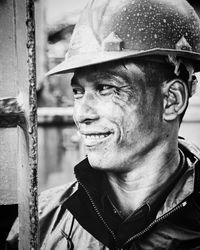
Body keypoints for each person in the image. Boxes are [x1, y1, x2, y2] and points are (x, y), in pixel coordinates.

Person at [7, 0, 200, 249]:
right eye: (78, 92)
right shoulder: (41, 220)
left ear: (172, 100)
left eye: (105, 88)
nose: (81, 114)